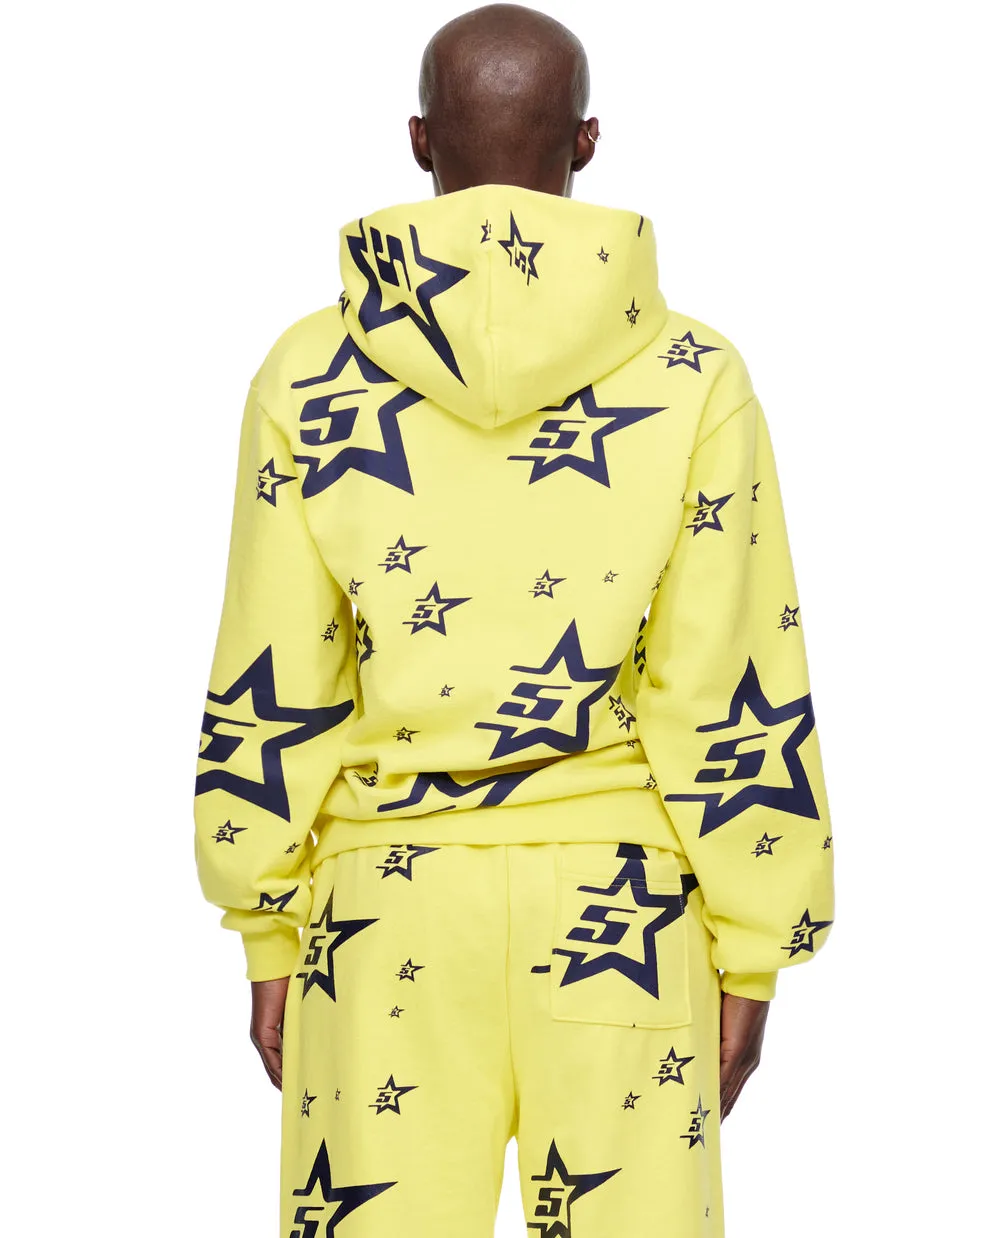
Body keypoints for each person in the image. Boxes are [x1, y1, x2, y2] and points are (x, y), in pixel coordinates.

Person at [192, 4, 835, 1235]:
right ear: (587, 141)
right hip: (619, 908)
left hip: (385, 906)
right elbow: (729, 677)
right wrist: (755, 943)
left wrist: (266, 927)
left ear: (418, 140)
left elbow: (273, 668)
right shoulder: (694, 375)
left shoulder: (309, 374)